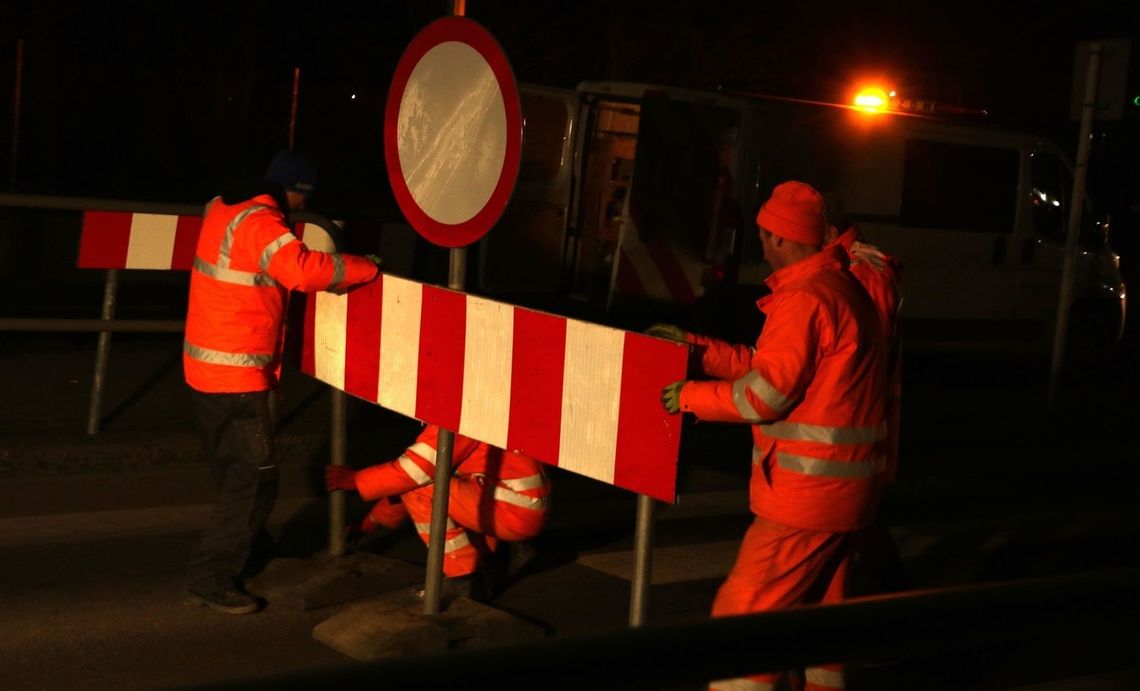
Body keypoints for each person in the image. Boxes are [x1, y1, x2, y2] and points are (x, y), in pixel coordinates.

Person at [651, 180, 888, 691]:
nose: (760, 246)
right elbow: (772, 369)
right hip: (847, 495)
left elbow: (765, 396)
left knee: (744, 617)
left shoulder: (805, 299)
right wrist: (697, 348)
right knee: (820, 627)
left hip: (806, 499)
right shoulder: (838, 288)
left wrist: (690, 396)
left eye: (763, 236)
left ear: (781, 238)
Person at [183, 149, 381, 614]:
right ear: (297, 191)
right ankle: (212, 577)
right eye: (301, 197)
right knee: (255, 481)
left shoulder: (223, 209)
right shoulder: (260, 222)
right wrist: (364, 267)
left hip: (205, 369)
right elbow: (302, 270)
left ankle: (249, 547)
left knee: (236, 473)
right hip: (234, 375)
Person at [325, 424, 550, 602]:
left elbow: (415, 474)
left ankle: (464, 576)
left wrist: (355, 480)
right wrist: (370, 523)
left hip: (511, 508)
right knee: (432, 486)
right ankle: (503, 554)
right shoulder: (482, 406)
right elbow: (412, 477)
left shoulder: (460, 415)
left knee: (423, 489)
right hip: (515, 503)